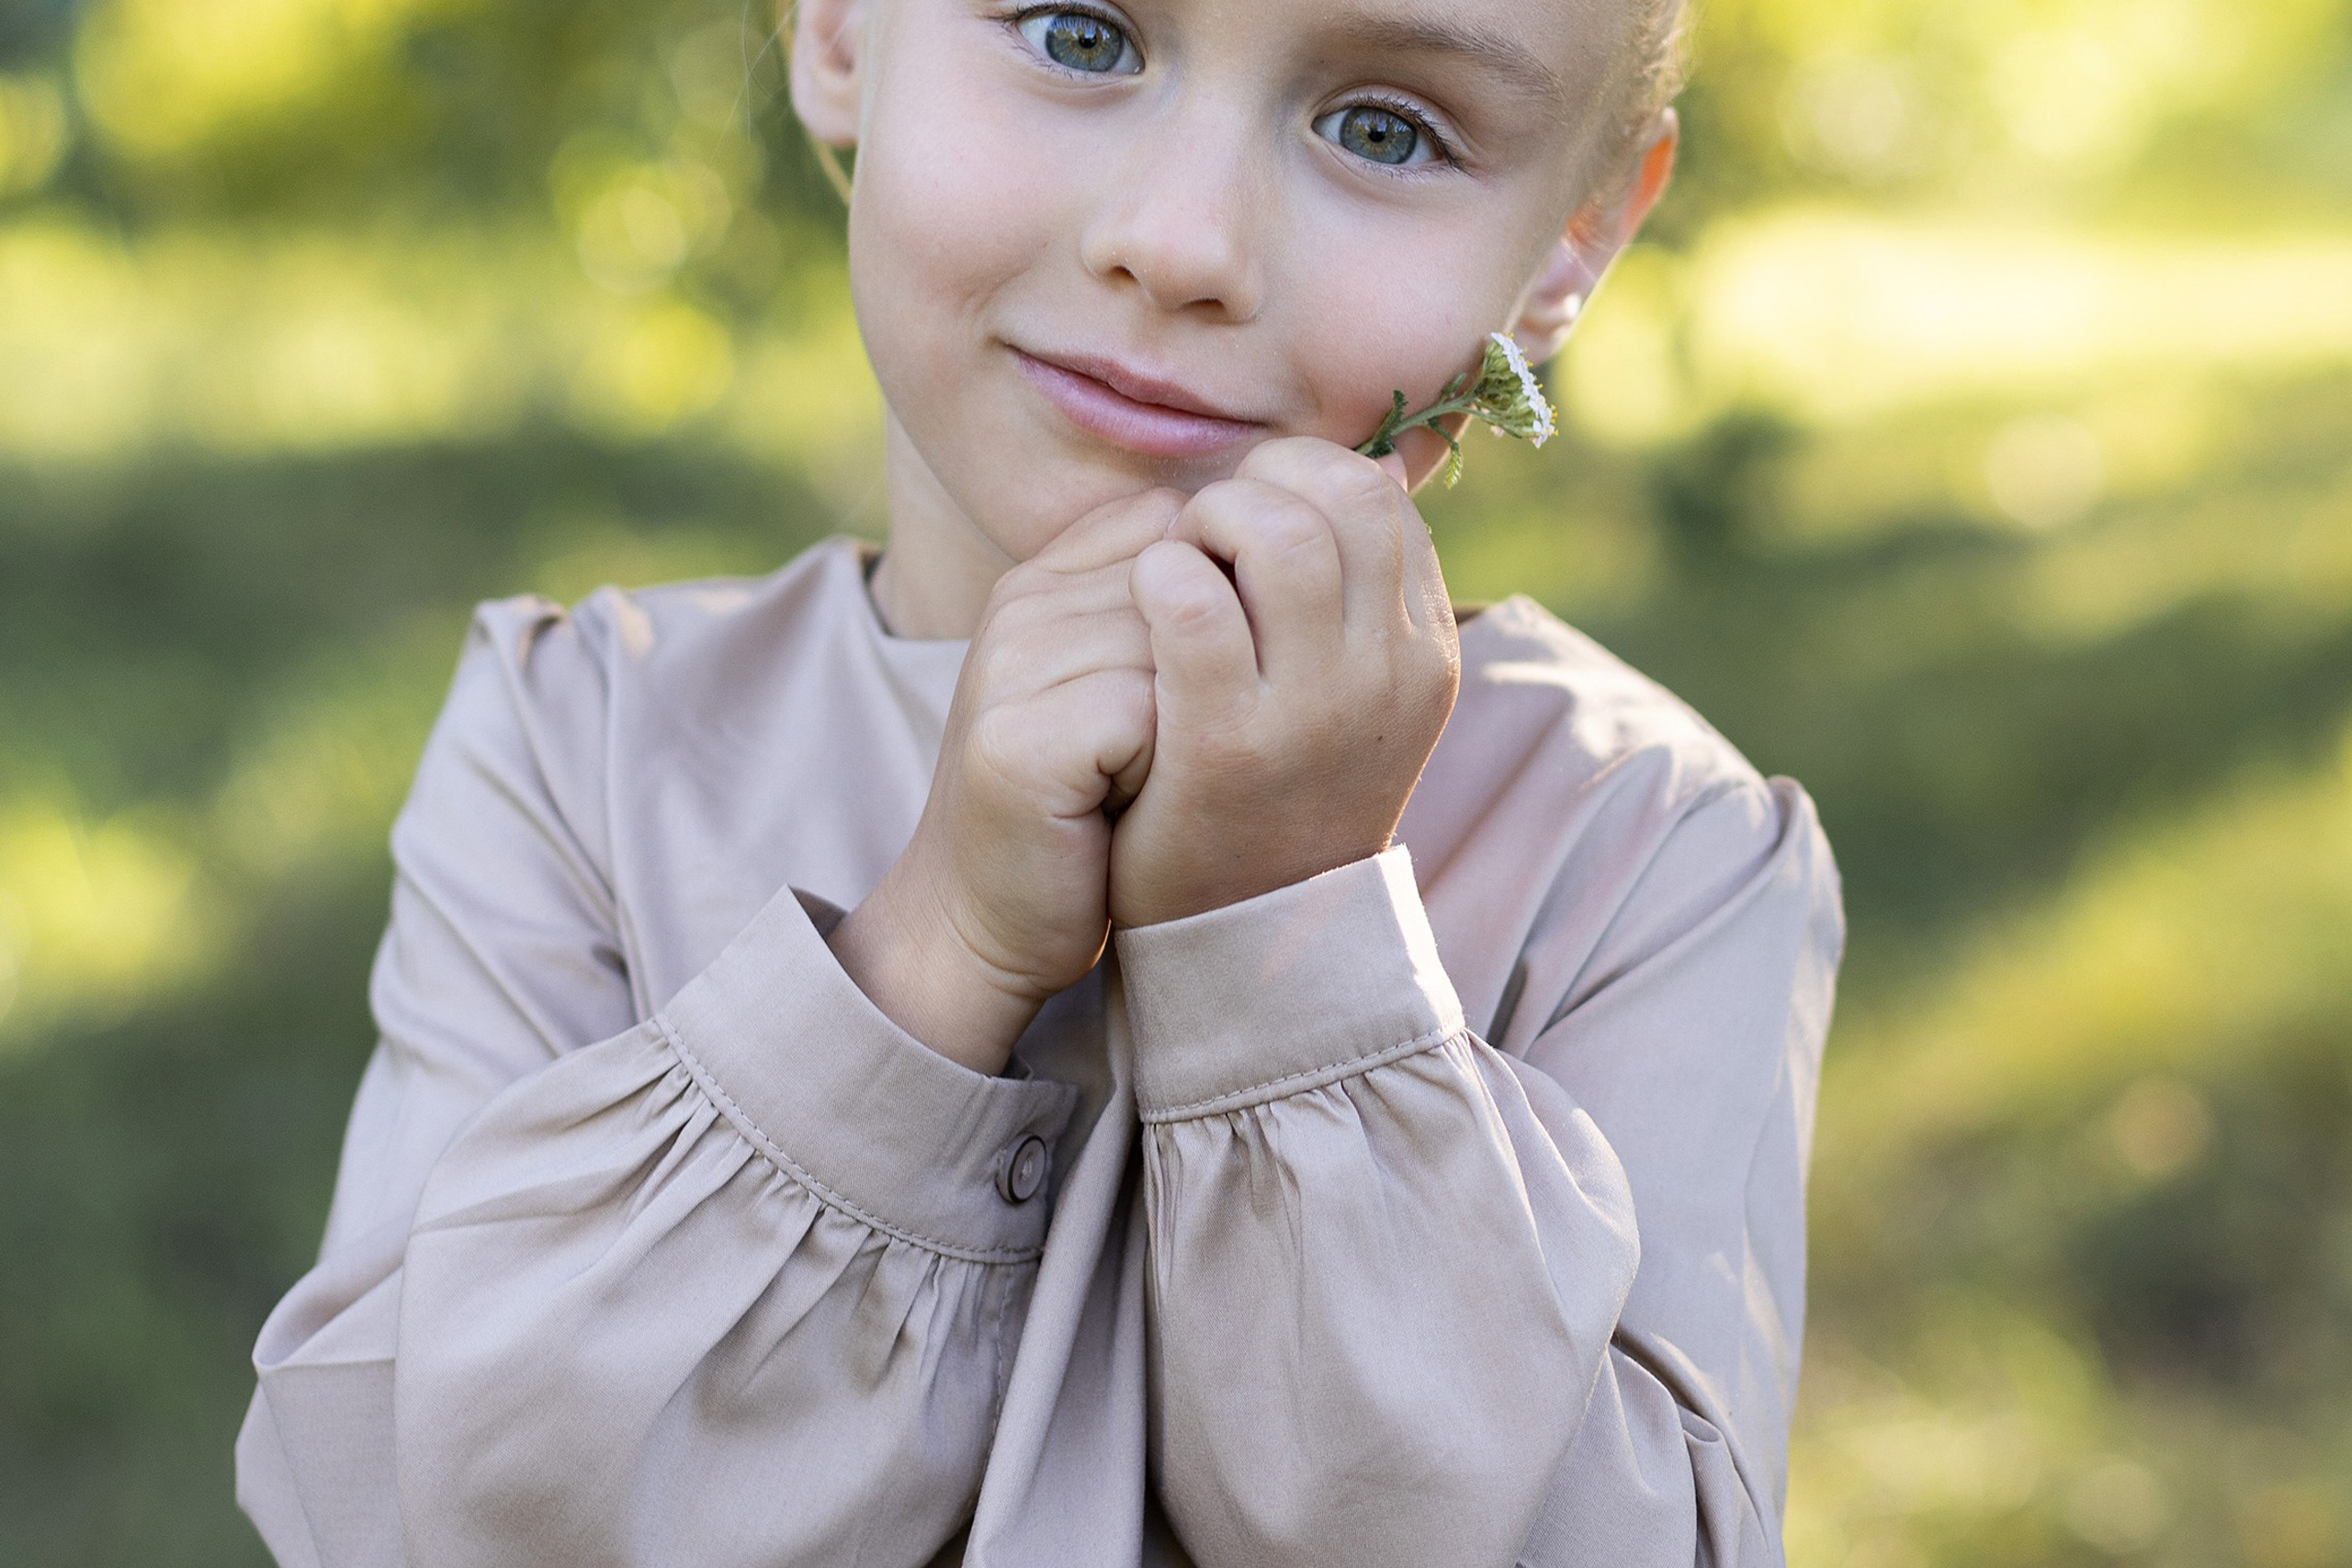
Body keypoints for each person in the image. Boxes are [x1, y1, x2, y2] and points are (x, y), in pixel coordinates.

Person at [234, 0, 1843, 1562]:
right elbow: (394, 1511)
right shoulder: (586, 746)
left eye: (1383, 130)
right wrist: (929, 953)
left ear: (1572, 238)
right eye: (1080, 35)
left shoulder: (1650, 851)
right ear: (837, 28)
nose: (1183, 243)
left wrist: (1291, 940)